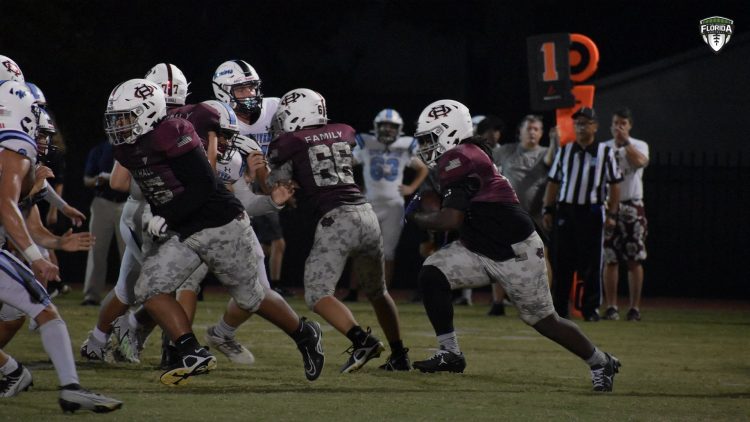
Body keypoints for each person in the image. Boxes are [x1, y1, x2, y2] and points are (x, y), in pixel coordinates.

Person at [104, 79, 324, 385]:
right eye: (117, 118)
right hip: (185, 230)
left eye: (126, 116)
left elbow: (204, 184)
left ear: (147, 112)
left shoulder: (173, 132)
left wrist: (166, 215)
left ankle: (305, 335)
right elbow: (155, 187)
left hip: (221, 224)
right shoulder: (128, 148)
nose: (120, 125)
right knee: (149, 289)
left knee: (250, 299)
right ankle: (191, 351)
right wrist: (160, 213)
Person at [408, 99, 620, 392]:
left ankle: (601, 361)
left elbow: (451, 218)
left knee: (544, 320)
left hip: (515, 250)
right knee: (432, 274)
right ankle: (451, 353)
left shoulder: (460, 157)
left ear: (450, 132)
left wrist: (418, 218)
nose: (426, 146)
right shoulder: (466, 153)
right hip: (479, 246)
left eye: (431, 138)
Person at [268, 88, 411, 372]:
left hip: (336, 218)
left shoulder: (290, 142)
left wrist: (263, 173)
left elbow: (278, 187)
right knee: (379, 292)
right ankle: (399, 355)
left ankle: (362, 340)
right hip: (366, 213)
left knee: (317, 294)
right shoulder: (343, 130)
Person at [0, 79, 122, 411]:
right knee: (44, 309)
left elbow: (29, 219)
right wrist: (35, 258)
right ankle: (68, 387)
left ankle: (12, 370)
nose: (42, 140)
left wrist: (57, 242)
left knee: (25, 312)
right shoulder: (13, 146)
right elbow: (7, 206)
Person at [213, 60, 291, 297]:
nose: (249, 93)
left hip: (250, 193)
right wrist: (243, 173)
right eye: (241, 89)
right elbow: (213, 173)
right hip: (220, 196)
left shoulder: (274, 109)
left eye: (252, 87)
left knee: (257, 256)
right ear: (223, 91)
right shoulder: (215, 118)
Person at [542, 107, 623, 322]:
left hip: (592, 211)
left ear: (595, 126)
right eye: (577, 123)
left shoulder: (605, 152)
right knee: (562, 262)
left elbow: (615, 185)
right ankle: (559, 308)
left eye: (585, 122)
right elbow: (553, 182)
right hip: (566, 210)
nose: (580, 126)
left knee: (592, 262)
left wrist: (613, 214)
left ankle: (590, 308)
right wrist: (548, 209)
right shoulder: (565, 150)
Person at [345, 108, 428, 301]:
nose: (388, 129)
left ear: (398, 128)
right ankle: (352, 291)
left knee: (388, 251)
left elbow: (423, 168)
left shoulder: (405, 145)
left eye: (392, 126)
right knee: (360, 249)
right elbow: (346, 164)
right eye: (384, 125)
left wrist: (411, 188)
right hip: (369, 203)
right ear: (376, 126)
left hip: (394, 206)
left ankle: (383, 294)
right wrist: (353, 186)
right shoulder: (366, 142)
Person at [489, 115, 557, 315]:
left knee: (541, 256)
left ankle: (546, 301)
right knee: (499, 258)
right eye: (529, 129)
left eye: (537, 129)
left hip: (534, 215)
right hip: (507, 213)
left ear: (542, 133)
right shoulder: (505, 151)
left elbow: (551, 160)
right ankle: (498, 303)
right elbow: (486, 163)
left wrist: (555, 140)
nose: (533, 132)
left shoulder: (545, 152)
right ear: (520, 131)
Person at [602, 108, 649, 321]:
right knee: (610, 257)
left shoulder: (639, 145)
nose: (618, 127)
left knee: (634, 257)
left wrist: (625, 143)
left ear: (629, 126)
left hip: (632, 204)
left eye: (623, 123)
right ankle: (611, 306)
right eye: (615, 123)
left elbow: (640, 162)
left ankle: (634, 308)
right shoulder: (604, 148)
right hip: (610, 205)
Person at [81, 139, 127, 305]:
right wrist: (98, 180)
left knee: (129, 253)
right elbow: (87, 179)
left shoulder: (133, 147)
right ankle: (91, 294)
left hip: (127, 203)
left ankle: (131, 295)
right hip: (103, 201)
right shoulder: (100, 149)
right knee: (96, 250)